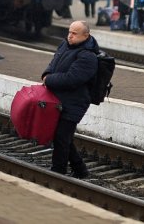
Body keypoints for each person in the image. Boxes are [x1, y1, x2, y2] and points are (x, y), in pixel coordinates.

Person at [42, 21, 98, 178]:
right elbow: (53, 64)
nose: (70, 36)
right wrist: (46, 74)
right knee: (62, 137)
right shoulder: (64, 45)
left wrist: (49, 80)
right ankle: (80, 170)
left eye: (74, 33)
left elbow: (72, 79)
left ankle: (57, 172)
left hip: (75, 102)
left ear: (85, 36)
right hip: (59, 100)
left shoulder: (88, 57)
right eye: (69, 32)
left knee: (61, 137)